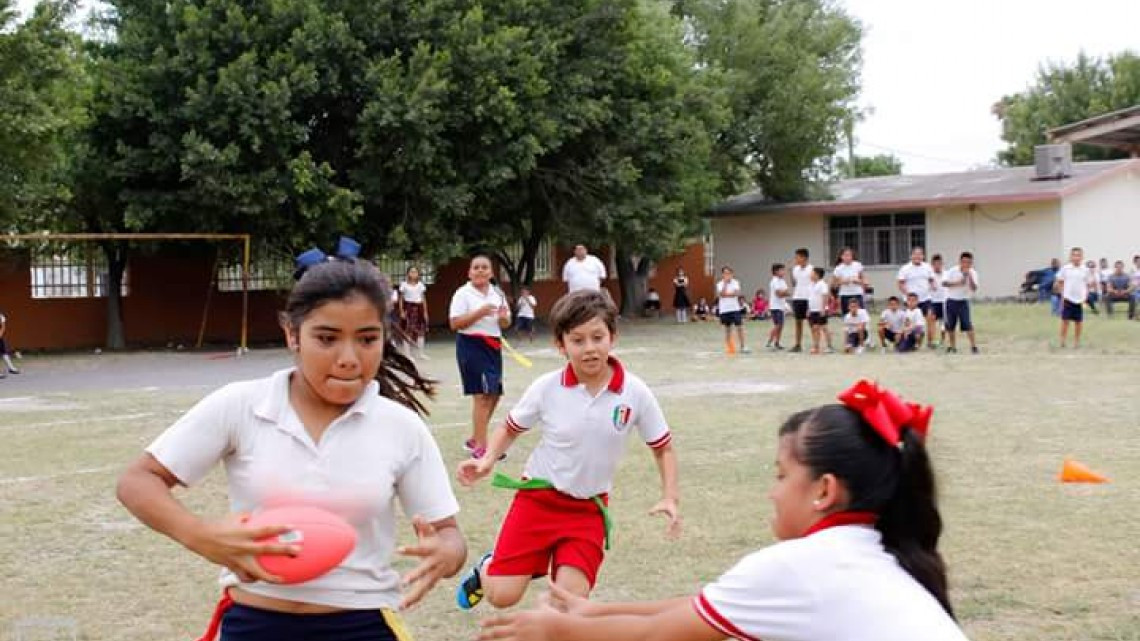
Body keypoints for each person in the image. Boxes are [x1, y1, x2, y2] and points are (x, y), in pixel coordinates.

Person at [115, 247, 466, 641]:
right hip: (254, 621)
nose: (349, 358)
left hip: (362, 625)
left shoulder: (400, 426)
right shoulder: (242, 405)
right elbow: (138, 481)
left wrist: (447, 554)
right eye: (327, 338)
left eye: (367, 339)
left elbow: (449, 533)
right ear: (292, 335)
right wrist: (201, 536)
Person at [478, 381, 967, 641]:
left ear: (824, 491)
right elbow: (702, 605)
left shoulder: (802, 565)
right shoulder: (875, 552)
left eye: (780, 475)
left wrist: (558, 630)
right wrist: (596, 611)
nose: (772, 493)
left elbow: (658, 636)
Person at [454, 290, 681, 612]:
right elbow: (509, 428)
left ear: (612, 337)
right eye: (578, 340)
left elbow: (664, 449)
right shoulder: (547, 388)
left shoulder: (635, 392)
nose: (589, 348)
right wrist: (488, 458)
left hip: (588, 510)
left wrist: (670, 496)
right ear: (561, 345)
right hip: (538, 501)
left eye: (597, 337)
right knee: (502, 596)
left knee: (569, 604)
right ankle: (488, 567)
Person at [450, 255, 512, 459]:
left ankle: (476, 438)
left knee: (494, 394)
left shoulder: (497, 294)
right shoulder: (463, 293)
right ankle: (482, 446)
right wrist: (481, 312)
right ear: (469, 272)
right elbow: (455, 323)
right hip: (471, 345)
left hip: (493, 346)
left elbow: (505, 323)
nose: (480, 271)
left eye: (484, 267)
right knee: (482, 395)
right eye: (476, 267)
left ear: (491, 273)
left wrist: (504, 319)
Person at [941, 252, 979, 354]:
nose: (966, 264)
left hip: (963, 301)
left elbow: (974, 288)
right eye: (964, 262)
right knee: (950, 325)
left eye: (969, 262)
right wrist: (958, 283)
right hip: (951, 300)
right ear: (960, 261)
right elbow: (944, 283)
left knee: (967, 324)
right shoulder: (952, 271)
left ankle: (974, 346)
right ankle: (953, 347)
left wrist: (969, 277)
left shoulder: (973, 273)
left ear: (971, 263)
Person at [896, 247, 935, 348]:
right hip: (910, 301)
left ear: (923, 256)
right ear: (911, 256)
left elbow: (931, 280)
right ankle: (911, 342)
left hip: (925, 299)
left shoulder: (928, 267)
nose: (917, 256)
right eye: (915, 254)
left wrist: (933, 286)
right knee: (909, 322)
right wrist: (908, 295)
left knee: (930, 318)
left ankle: (930, 342)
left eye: (920, 254)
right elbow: (900, 284)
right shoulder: (905, 268)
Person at [1055, 247, 1089, 348]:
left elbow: (1087, 285)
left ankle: (1076, 341)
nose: (1076, 257)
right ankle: (1062, 340)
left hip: (1080, 299)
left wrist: (1085, 298)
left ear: (1082, 257)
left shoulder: (1085, 270)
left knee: (1078, 322)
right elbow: (1060, 281)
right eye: (1074, 255)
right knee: (1065, 320)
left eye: (1078, 255)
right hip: (1067, 298)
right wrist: (1062, 295)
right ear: (1071, 257)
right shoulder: (1066, 268)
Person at [398, 266, 430, 360]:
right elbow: (401, 299)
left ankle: (421, 353)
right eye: (411, 272)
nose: (413, 274)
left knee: (421, 331)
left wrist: (425, 312)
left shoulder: (420, 285)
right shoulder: (404, 285)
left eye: (415, 272)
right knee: (408, 331)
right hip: (409, 308)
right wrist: (401, 311)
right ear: (408, 273)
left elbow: (423, 299)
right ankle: (407, 354)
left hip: (419, 308)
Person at [716, 266, 750, 354]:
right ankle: (730, 348)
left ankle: (743, 347)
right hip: (724, 309)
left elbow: (736, 293)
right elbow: (721, 294)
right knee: (728, 329)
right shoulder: (720, 284)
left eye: (729, 273)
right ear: (722, 274)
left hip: (735, 308)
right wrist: (725, 284)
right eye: (725, 273)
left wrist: (727, 294)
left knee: (740, 327)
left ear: (732, 273)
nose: (727, 275)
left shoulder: (736, 282)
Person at [789, 248, 813, 353]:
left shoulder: (812, 269)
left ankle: (815, 344)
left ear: (804, 257)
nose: (796, 259)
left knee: (811, 322)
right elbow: (794, 284)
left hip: (808, 298)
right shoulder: (795, 269)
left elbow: (814, 284)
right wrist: (790, 273)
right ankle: (798, 345)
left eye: (797, 257)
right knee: (798, 322)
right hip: (797, 297)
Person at [807, 267, 833, 354]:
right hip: (813, 310)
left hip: (820, 310)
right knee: (814, 328)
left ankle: (829, 346)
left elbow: (825, 296)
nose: (810, 275)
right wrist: (809, 309)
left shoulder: (822, 284)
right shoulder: (811, 284)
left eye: (812, 273)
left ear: (817, 275)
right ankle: (816, 346)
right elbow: (810, 298)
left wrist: (823, 308)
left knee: (824, 328)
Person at [766, 264, 789, 350]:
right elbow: (779, 294)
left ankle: (777, 342)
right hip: (775, 306)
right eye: (781, 270)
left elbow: (786, 291)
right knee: (778, 325)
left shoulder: (782, 281)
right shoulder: (774, 281)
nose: (783, 272)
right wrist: (785, 293)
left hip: (781, 306)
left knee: (781, 325)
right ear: (776, 271)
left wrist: (784, 293)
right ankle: (770, 341)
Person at [929, 254, 948, 348]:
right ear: (932, 264)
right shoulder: (930, 275)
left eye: (939, 264)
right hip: (933, 301)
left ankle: (942, 341)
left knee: (943, 323)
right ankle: (932, 341)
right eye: (935, 264)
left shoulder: (946, 274)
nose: (938, 266)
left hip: (944, 301)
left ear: (942, 264)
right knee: (932, 322)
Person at [0, 310, 20, 377]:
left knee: (4, 352)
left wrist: (0, 335)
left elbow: (3, 327)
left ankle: (11, 368)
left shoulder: (1, 316)